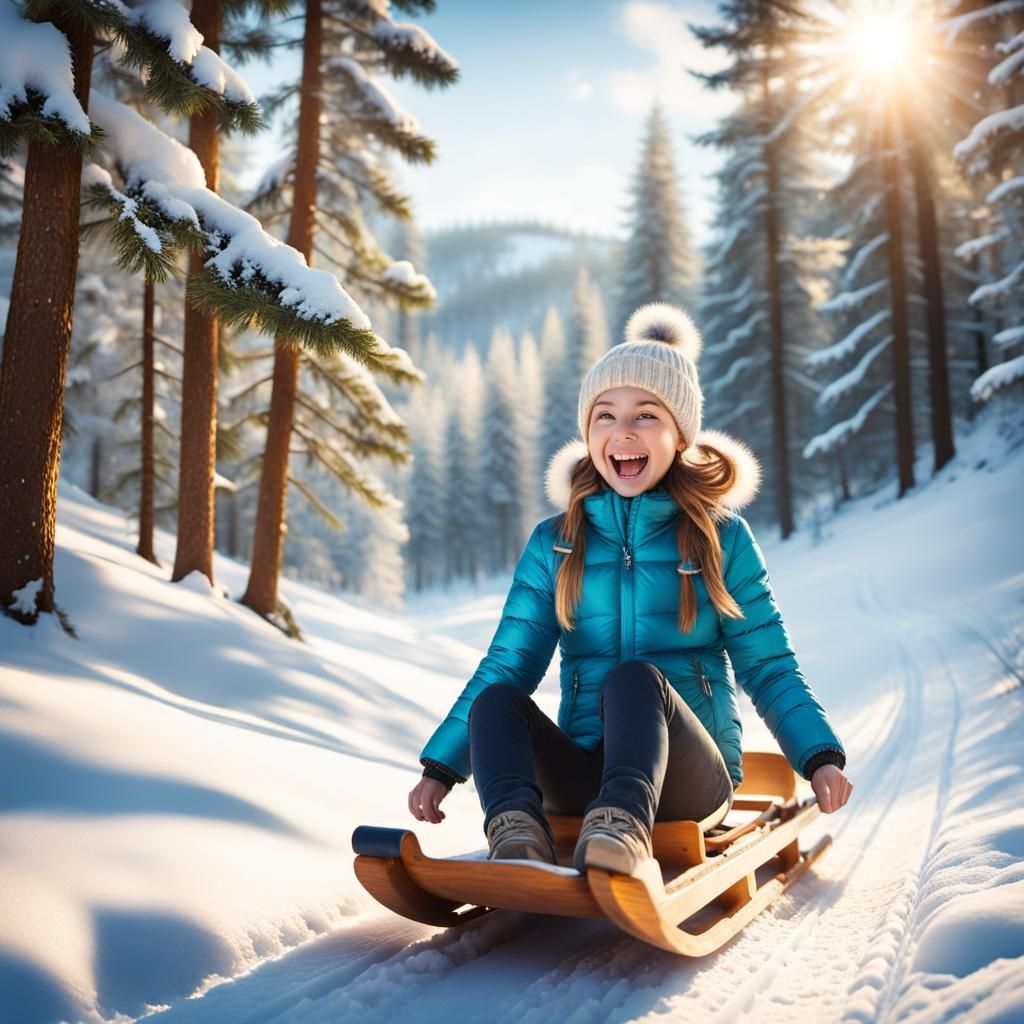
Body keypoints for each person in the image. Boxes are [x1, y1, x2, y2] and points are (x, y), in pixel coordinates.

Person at [407, 302, 852, 877]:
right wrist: (441, 768)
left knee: (636, 679)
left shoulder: (720, 538)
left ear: (680, 434)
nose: (623, 432)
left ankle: (622, 828)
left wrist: (818, 755)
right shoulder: (555, 543)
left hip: (690, 783)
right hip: (585, 780)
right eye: (605, 416)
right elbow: (507, 664)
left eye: (646, 415)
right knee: (497, 699)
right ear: (587, 433)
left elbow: (767, 666)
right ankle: (516, 834)